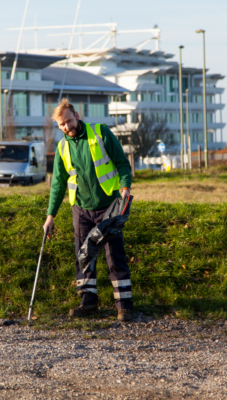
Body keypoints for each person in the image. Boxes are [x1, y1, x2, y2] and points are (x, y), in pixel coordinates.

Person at [43, 99, 133, 322]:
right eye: (62, 125)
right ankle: (88, 303)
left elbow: (122, 163)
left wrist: (125, 189)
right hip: (80, 209)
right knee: (83, 257)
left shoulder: (100, 132)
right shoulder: (62, 147)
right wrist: (50, 216)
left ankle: (123, 306)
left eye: (69, 121)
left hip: (109, 207)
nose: (67, 127)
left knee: (114, 255)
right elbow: (57, 185)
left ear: (76, 114)